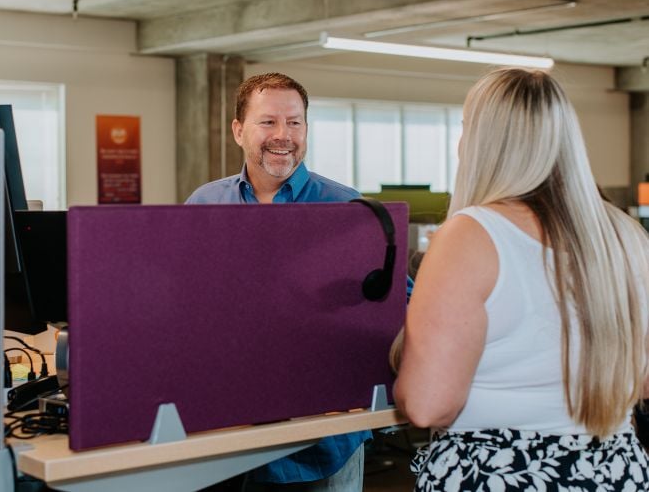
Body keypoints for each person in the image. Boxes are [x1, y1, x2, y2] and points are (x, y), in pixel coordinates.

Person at [393, 67, 649, 490]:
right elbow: (641, 380)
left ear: (482, 142)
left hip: (503, 472)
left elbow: (427, 406)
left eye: (465, 128)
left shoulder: (472, 235)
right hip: (613, 469)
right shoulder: (624, 236)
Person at [187, 72, 370, 491]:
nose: (283, 135)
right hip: (229, 431)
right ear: (238, 130)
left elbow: (395, 301)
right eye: (268, 122)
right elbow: (189, 307)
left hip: (323, 441)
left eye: (295, 122)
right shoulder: (205, 204)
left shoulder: (345, 207)